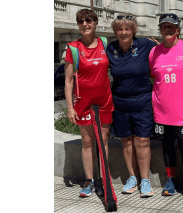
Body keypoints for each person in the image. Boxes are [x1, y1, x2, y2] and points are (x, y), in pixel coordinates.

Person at [64, 9, 115, 200]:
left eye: (89, 20)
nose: (85, 24)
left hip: (104, 102)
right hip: (83, 103)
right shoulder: (73, 48)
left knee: (103, 142)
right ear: (78, 25)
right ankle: (90, 180)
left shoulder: (104, 43)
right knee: (87, 142)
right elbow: (68, 81)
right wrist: (70, 107)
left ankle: (103, 180)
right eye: (81, 21)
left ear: (95, 23)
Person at [149, 13, 183, 202]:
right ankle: (171, 180)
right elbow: (154, 76)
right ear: (160, 30)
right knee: (167, 146)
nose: (167, 29)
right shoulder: (154, 52)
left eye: (171, 26)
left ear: (178, 29)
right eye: (164, 27)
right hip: (162, 110)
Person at [106, 14, 157, 198]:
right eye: (120, 29)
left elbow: (167, 53)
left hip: (142, 101)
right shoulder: (110, 48)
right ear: (115, 31)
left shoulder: (145, 44)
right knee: (126, 141)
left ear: (133, 30)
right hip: (120, 102)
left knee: (142, 140)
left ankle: (145, 180)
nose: (124, 32)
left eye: (128, 28)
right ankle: (132, 178)